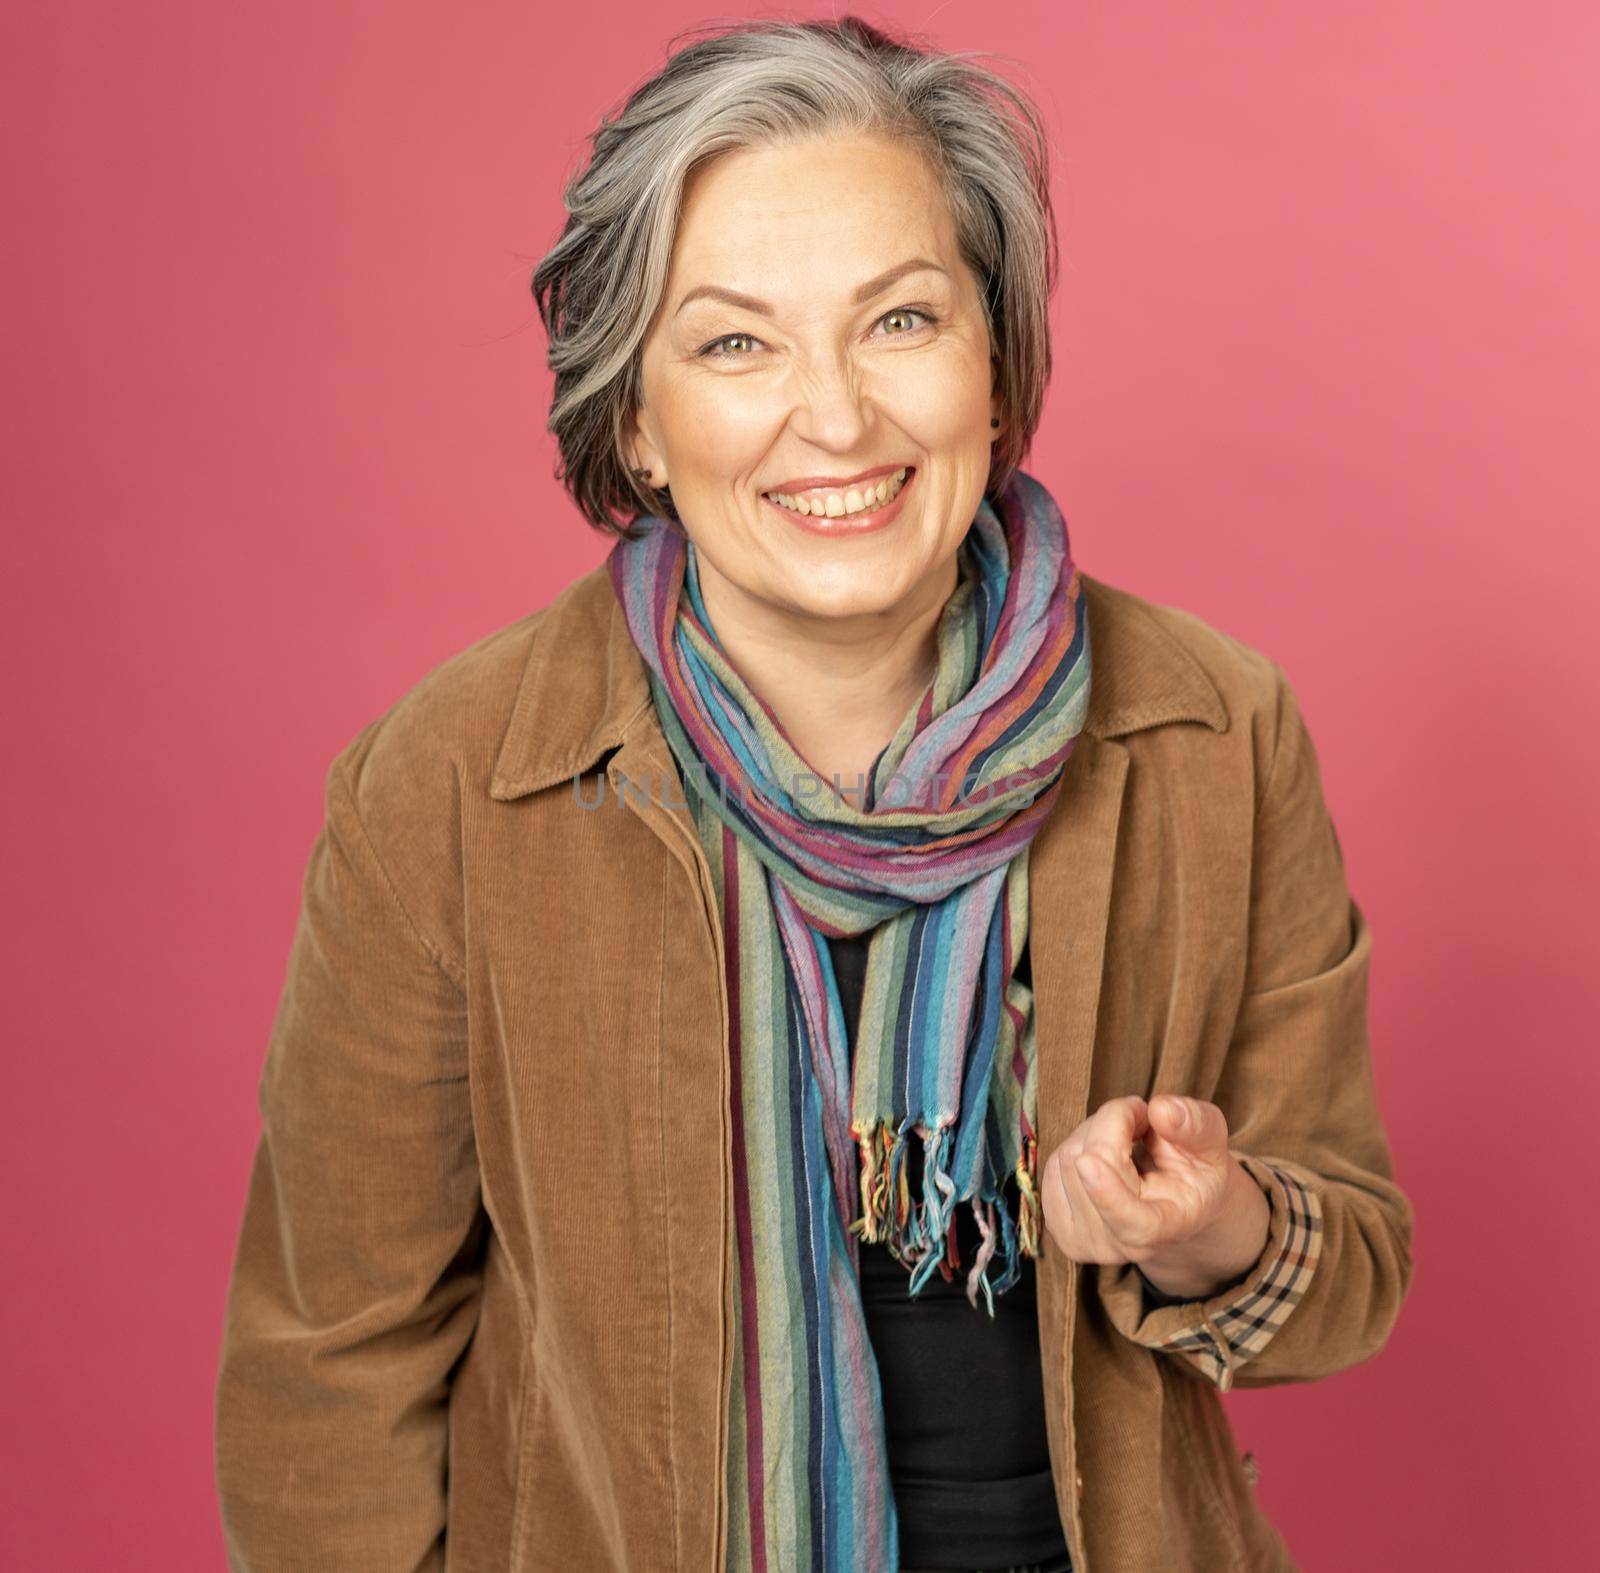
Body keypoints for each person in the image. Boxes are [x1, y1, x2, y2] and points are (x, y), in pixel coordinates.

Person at [214, 17, 1414, 1573]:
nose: (837, 418)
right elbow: (327, 1369)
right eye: (734, 343)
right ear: (635, 422)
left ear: (998, 364)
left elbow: (1350, 1273)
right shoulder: (451, 785)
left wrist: (1215, 1222)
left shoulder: (1210, 731)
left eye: (901, 319)